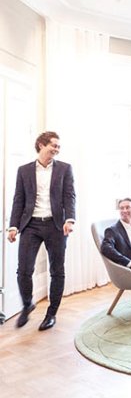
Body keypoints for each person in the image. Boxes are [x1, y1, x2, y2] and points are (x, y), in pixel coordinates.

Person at [8, 131, 76, 331]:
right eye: (53, 145)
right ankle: (27, 304)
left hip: (56, 225)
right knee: (24, 271)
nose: (56, 149)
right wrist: (13, 226)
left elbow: (69, 196)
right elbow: (18, 199)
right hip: (31, 225)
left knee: (57, 271)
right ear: (41, 145)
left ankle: (51, 313)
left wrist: (70, 219)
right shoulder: (24, 170)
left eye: (58, 147)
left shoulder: (65, 168)